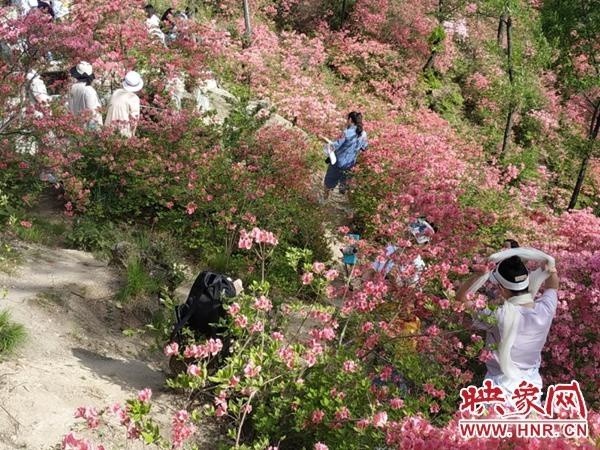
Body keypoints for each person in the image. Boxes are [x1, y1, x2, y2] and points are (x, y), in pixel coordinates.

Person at [456, 248, 559, 397]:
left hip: (498, 389)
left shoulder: (498, 316)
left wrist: (477, 276)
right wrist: (551, 269)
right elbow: (552, 287)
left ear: (502, 289)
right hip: (530, 390)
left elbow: (460, 299)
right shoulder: (545, 310)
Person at [322, 111, 368, 201]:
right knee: (345, 185)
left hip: (338, 162)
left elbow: (335, 146)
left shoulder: (347, 132)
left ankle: (324, 201)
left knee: (329, 183)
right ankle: (347, 208)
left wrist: (325, 140)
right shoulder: (363, 134)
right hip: (350, 165)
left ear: (350, 119)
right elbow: (364, 148)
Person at [105, 71, 143, 138]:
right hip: (122, 132)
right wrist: (133, 135)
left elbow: (107, 108)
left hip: (107, 130)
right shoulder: (134, 98)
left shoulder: (116, 92)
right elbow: (134, 120)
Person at [68, 61, 103, 130]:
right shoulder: (88, 90)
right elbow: (93, 113)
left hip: (75, 128)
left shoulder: (72, 88)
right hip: (87, 131)